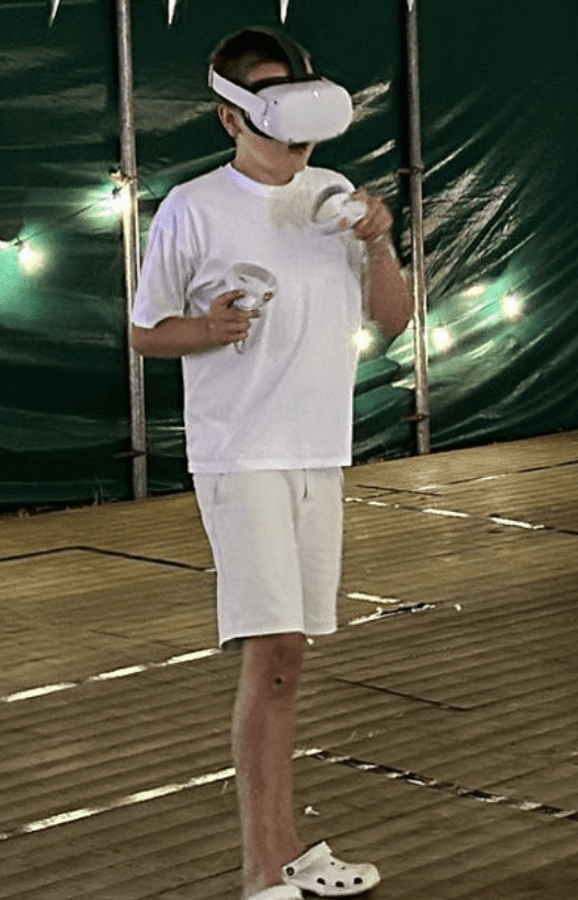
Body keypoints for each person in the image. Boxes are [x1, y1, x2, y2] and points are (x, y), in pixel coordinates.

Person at [131, 27, 411, 900]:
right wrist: (207, 328)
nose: (294, 139)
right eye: (271, 112)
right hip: (240, 449)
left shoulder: (333, 194)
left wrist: (381, 240)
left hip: (321, 450)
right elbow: (145, 331)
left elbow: (394, 318)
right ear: (230, 116)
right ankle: (262, 871)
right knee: (274, 650)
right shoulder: (192, 208)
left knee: (294, 657)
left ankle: (289, 853)